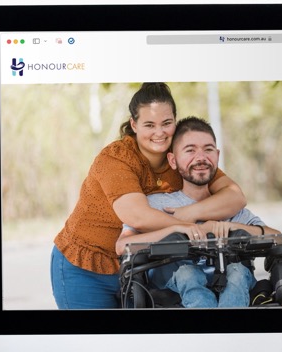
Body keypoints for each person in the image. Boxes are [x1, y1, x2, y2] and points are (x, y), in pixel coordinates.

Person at [51, 83, 247, 309]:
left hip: (142, 266)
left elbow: (235, 197)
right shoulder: (116, 158)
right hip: (85, 267)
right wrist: (185, 226)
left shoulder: (182, 156)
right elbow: (137, 216)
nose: (159, 132)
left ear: (175, 121)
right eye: (149, 125)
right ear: (134, 124)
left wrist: (190, 213)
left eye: (167, 123)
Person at [115, 117, 280, 308]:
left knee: (237, 271)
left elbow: (277, 237)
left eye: (208, 149)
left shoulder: (229, 208)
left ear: (217, 156)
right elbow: (122, 246)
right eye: (190, 150)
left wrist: (230, 227)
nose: (201, 158)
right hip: (172, 293)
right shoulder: (156, 205)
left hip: (232, 286)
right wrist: (176, 228)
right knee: (188, 274)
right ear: (173, 160)